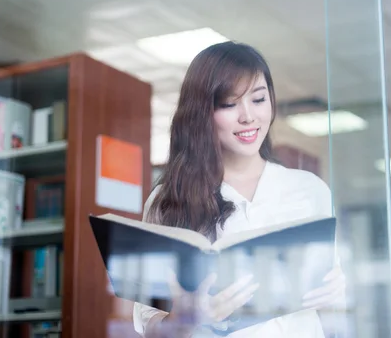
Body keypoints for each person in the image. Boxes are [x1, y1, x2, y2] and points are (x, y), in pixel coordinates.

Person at [133, 41, 345, 337]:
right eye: (230, 104)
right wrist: (186, 317)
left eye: (258, 100)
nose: (248, 116)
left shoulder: (310, 191)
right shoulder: (169, 200)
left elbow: (330, 300)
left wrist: (337, 293)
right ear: (202, 113)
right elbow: (150, 326)